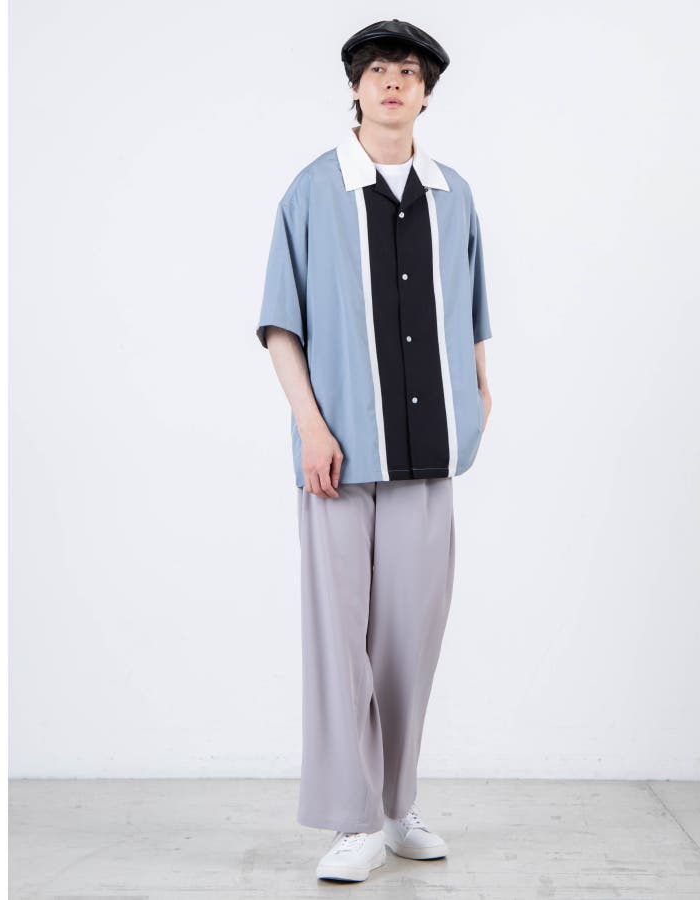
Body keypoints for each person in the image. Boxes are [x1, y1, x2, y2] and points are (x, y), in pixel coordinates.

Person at [255, 18, 493, 883]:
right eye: (379, 70)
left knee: (407, 643)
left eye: (409, 72)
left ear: (426, 93)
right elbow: (282, 323)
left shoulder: (453, 195)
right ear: (355, 88)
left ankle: (396, 807)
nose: (394, 82)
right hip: (339, 460)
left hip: (429, 456)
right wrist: (311, 426)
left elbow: (471, 314)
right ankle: (350, 820)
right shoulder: (312, 192)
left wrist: (479, 400)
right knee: (339, 641)